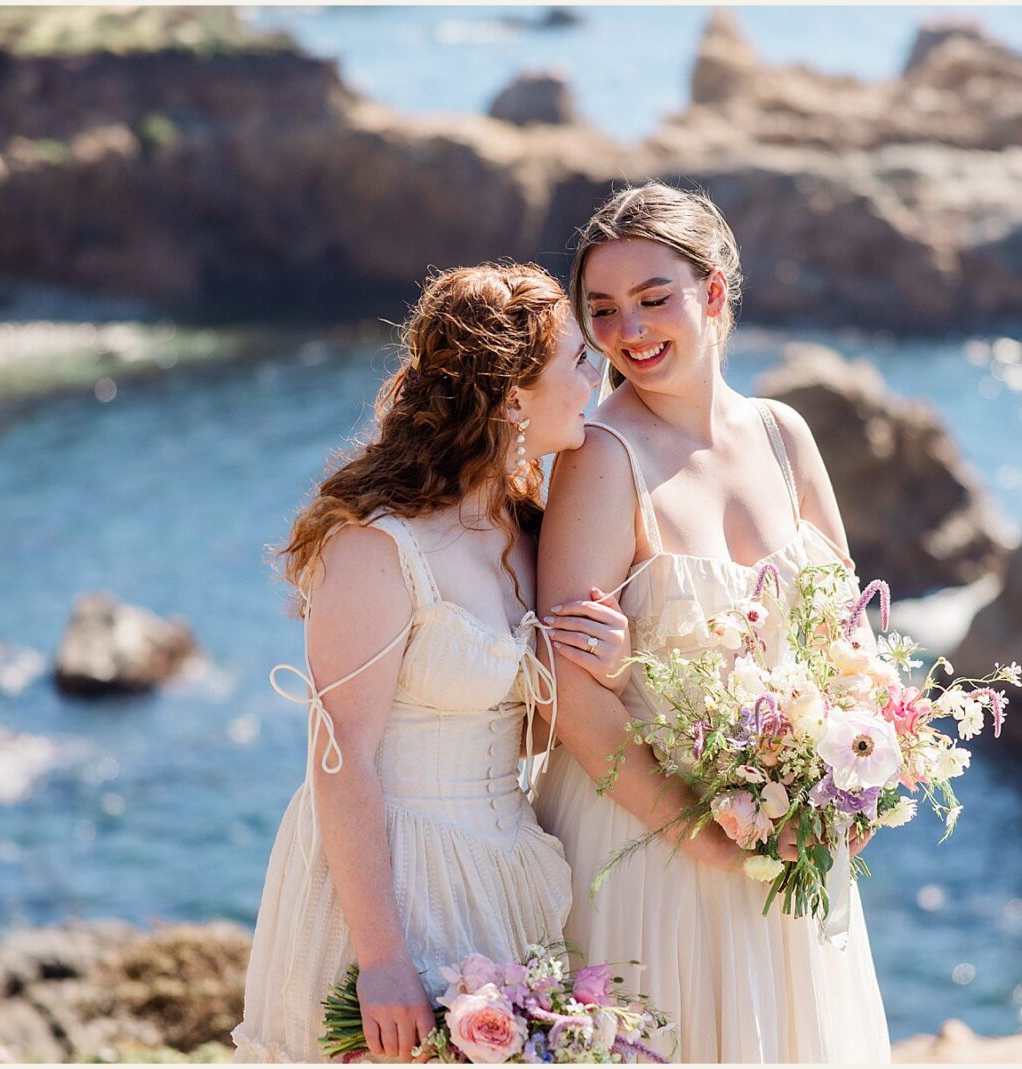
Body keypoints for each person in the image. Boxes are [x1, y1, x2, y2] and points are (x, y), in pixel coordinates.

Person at [232, 262, 628, 1062]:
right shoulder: (378, 545)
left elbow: (515, 725)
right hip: (392, 883)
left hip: (507, 869)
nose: (598, 375)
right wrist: (382, 958)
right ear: (512, 396)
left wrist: (611, 661)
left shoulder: (525, 532)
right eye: (578, 361)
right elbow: (341, 756)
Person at [532, 183, 893, 1062]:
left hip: (792, 846)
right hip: (653, 847)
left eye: (655, 299)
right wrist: (701, 838)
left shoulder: (783, 434)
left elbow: (855, 644)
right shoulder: (598, 459)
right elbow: (568, 695)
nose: (630, 331)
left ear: (716, 291)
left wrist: (860, 778)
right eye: (604, 310)